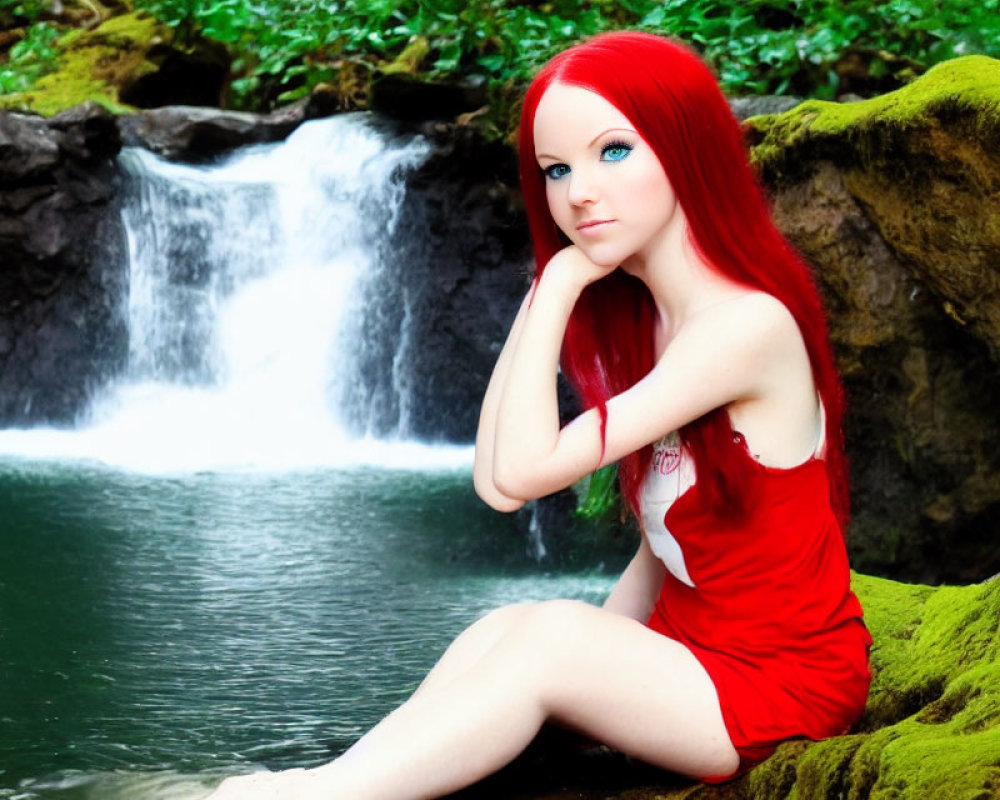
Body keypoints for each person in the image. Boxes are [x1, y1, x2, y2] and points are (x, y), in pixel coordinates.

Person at [205, 30, 872, 800]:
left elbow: (522, 473)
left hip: (782, 686)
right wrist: (596, 660)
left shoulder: (742, 328)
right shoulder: (656, 323)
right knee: (508, 629)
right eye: (557, 169)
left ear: (687, 149)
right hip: (698, 659)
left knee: (547, 638)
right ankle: (330, 782)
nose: (578, 192)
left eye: (612, 151)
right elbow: (504, 486)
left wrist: (556, 286)